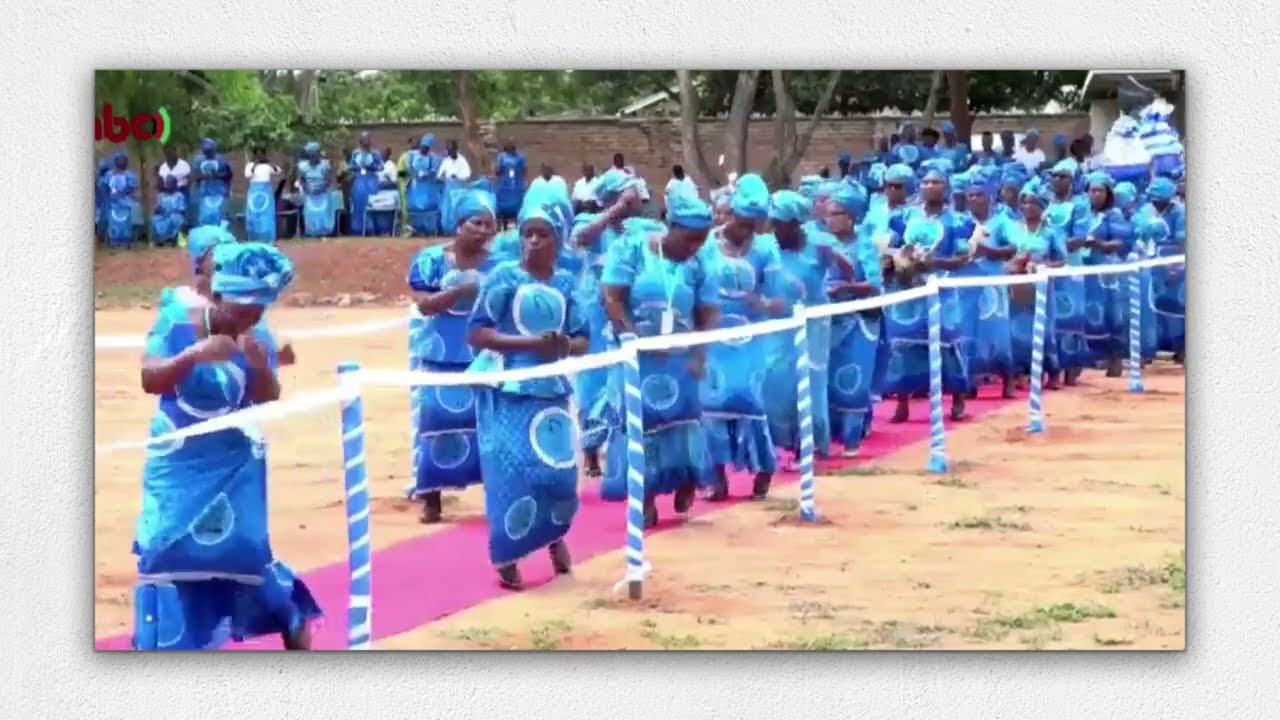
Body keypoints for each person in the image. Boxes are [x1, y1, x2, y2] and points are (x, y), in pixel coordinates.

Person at [132, 242, 319, 650]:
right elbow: (150, 379)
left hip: (234, 463)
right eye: (243, 309)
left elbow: (267, 394)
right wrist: (196, 355)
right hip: (178, 459)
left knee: (242, 552)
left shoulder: (257, 334)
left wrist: (256, 362)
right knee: (163, 548)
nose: (251, 318)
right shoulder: (177, 321)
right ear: (217, 295)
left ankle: (289, 614)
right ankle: (165, 641)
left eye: (260, 310)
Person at [466, 195, 588, 590]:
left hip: (551, 387)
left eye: (543, 234)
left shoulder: (567, 283)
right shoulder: (504, 277)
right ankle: (507, 556)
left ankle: (554, 536)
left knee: (558, 473)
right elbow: (477, 333)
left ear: (559, 239)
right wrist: (529, 344)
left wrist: (563, 346)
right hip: (509, 387)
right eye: (527, 234)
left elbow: (584, 336)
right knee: (514, 473)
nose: (533, 241)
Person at [600, 192, 719, 527]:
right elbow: (612, 296)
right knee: (642, 425)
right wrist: (630, 335)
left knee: (685, 422)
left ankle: (686, 479)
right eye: (690, 238)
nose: (695, 246)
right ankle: (645, 495)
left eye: (702, 239)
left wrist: (699, 353)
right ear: (672, 227)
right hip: (640, 358)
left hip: (681, 358)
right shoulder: (632, 250)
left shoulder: (697, 264)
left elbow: (708, 310)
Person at [407, 189, 499, 523]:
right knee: (435, 423)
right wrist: (461, 290)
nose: (485, 230)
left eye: (490, 225)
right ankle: (432, 498)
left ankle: (496, 495)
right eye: (477, 223)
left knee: (488, 427)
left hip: (484, 355)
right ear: (459, 224)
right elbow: (424, 305)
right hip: (440, 354)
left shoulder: (499, 265)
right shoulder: (431, 260)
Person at [698, 174, 781, 500]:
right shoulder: (706, 246)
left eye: (754, 225)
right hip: (713, 339)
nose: (747, 231)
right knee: (711, 404)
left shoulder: (765, 251)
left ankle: (763, 470)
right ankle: (716, 479)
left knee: (749, 401)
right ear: (728, 214)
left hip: (751, 340)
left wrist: (756, 303)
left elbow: (777, 302)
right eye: (743, 223)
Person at [761, 190, 854, 461]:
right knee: (777, 379)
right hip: (777, 323)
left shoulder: (819, 244)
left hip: (814, 322)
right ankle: (780, 441)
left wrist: (840, 275)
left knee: (811, 380)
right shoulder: (767, 247)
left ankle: (812, 442)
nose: (775, 228)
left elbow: (847, 270)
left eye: (781, 222)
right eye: (773, 222)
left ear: (796, 222)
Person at [571, 170, 651, 477]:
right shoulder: (591, 225)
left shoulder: (639, 228)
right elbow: (580, 238)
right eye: (628, 196)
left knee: (619, 379)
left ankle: (622, 448)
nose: (636, 203)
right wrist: (615, 210)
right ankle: (590, 450)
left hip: (626, 311)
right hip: (593, 313)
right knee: (592, 380)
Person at [883, 166, 971, 422]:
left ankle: (957, 398)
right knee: (904, 341)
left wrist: (934, 262)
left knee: (947, 341)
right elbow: (892, 247)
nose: (930, 186)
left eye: (936, 182)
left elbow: (961, 258)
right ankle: (902, 401)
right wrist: (901, 262)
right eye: (925, 182)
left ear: (946, 187)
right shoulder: (904, 216)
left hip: (941, 288)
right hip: (908, 288)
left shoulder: (957, 221)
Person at [824, 182, 884, 457]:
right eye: (828, 213)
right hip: (827, 321)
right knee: (827, 378)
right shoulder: (822, 243)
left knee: (853, 379)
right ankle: (828, 435)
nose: (829, 219)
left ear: (850, 217)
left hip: (858, 322)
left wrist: (845, 288)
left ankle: (852, 439)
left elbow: (874, 283)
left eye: (835, 213)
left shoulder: (864, 245)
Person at [957, 173, 1017, 397]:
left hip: (993, 284)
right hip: (966, 284)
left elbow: (1011, 249)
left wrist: (986, 251)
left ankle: (1008, 379)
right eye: (970, 195)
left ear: (990, 196)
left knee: (997, 333)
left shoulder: (1002, 221)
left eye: (979, 195)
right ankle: (969, 381)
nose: (974, 199)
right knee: (968, 332)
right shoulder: (961, 222)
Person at [1006, 178, 1068, 382]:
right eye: (1024, 202)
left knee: (1044, 327)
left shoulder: (1051, 231)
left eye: (1033, 203)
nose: (1027, 207)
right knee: (1018, 327)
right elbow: (1006, 253)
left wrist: (1041, 267)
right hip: (1017, 284)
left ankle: (1052, 371)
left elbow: (1061, 260)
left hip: (1041, 285)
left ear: (1041, 206)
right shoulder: (1013, 228)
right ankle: (1023, 371)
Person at [1078, 170, 1134, 377]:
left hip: (1108, 275)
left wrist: (1099, 244)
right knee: (1089, 314)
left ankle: (1115, 357)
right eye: (1092, 191)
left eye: (1100, 191)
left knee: (1112, 315)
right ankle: (1091, 357)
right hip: (1086, 271)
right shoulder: (1082, 213)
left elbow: (1120, 243)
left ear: (1108, 193)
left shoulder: (1114, 215)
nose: (1096, 195)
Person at [1044, 159, 1090, 387]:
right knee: (1050, 317)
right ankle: (1053, 369)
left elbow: (1080, 238)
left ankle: (1071, 369)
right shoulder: (1045, 203)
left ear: (1073, 180)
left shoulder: (1080, 204)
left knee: (1071, 317)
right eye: (1054, 175)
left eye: (1063, 176)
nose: (1057, 180)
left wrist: (1056, 247)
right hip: (1047, 267)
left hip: (1070, 265)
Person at [1137, 176, 1186, 360]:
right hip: (1150, 263)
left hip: (1174, 263)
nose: (1156, 202)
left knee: (1177, 306)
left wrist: (1175, 265)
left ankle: (1182, 347)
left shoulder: (1179, 213)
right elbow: (1139, 234)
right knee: (1150, 305)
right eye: (1153, 198)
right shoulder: (1145, 211)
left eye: (1160, 199)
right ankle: (1150, 347)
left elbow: (1183, 241)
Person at [404, 135, 443, 236]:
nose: (423, 149)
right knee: (414, 206)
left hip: (427, 187)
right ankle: (414, 229)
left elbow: (434, 171)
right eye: (422, 146)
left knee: (428, 207)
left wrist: (426, 174)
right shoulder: (411, 155)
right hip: (415, 186)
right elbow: (408, 169)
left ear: (429, 148)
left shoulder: (433, 157)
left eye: (426, 148)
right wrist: (415, 174)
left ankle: (429, 230)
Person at [191, 139, 232, 228]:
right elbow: (195, 177)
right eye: (205, 151)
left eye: (209, 150)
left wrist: (216, 176)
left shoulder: (221, 159)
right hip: (205, 194)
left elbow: (228, 175)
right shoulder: (199, 161)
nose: (207, 153)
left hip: (219, 193)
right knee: (205, 216)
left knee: (220, 216)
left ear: (214, 149)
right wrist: (203, 177)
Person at [347, 132, 383, 236]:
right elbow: (350, 166)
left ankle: (371, 229)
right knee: (358, 206)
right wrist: (357, 167)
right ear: (360, 141)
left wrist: (371, 167)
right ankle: (357, 230)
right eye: (363, 139)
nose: (365, 141)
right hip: (359, 181)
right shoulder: (356, 153)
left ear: (370, 141)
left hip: (371, 181)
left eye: (367, 139)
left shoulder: (375, 153)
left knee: (372, 205)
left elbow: (381, 166)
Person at [296, 142, 334, 237]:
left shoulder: (325, 165)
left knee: (322, 212)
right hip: (310, 193)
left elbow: (328, 180)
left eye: (315, 154)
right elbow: (302, 180)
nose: (313, 156)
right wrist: (307, 189)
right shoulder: (303, 167)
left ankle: (324, 232)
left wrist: (320, 189)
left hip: (323, 193)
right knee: (311, 212)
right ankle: (312, 232)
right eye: (310, 154)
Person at [244, 146, 280, 243]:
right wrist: (255, 165)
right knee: (253, 213)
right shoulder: (249, 165)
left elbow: (278, 171)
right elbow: (248, 175)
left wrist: (269, 162)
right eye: (257, 154)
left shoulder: (267, 166)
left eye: (261, 154)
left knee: (266, 214)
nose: (259, 156)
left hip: (266, 191)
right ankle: (253, 237)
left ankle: (268, 238)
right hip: (254, 191)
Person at [105, 151, 139, 247]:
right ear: (115, 161)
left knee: (126, 220)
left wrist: (123, 193)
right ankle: (113, 240)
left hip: (126, 201)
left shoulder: (130, 175)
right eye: (119, 160)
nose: (121, 162)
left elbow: (133, 187)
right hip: (112, 203)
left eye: (123, 160)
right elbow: (104, 187)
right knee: (113, 220)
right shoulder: (109, 175)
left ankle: (127, 241)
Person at [494, 142, 527, 227]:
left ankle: (516, 226)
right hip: (505, 186)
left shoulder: (520, 158)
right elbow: (497, 171)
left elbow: (524, 171)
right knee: (503, 207)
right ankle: (503, 226)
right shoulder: (502, 157)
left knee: (516, 206)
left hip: (515, 186)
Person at [150, 175, 187, 247]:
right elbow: (157, 209)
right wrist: (158, 210)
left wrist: (172, 212)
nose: (168, 185)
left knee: (177, 219)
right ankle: (158, 240)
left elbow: (182, 210)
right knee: (155, 219)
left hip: (175, 214)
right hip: (163, 215)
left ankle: (177, 240)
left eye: (170, 183)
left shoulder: (179, 195)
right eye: (167, 183)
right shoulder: (161, 195)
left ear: (175, 184)